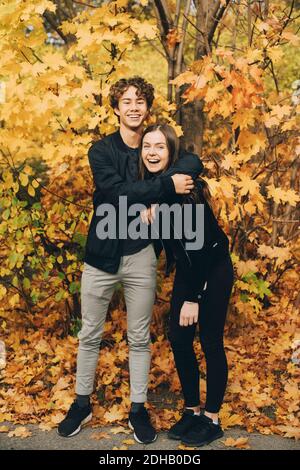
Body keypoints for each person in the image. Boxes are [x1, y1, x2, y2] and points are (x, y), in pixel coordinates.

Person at [57, 77, 203, 444]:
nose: (134, 106)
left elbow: (191, 159)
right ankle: (80, 403)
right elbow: (116, 192)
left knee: (139, 337)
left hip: (140, 256)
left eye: (140, 100)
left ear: (147, 107)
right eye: (127, 101)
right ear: (116, 107)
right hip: (100, 256)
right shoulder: (101, 150)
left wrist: (163, 185)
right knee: (90, 333)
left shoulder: (153, 145)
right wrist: (165, 188)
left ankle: (138, 409)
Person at [139, 123, 234, 447]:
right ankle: (192, 410)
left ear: (171, 153)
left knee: (209, 340)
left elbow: (198, 249)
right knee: (179, 338)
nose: (152, 152)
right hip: (189, 269)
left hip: (213, 268)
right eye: (147, 146)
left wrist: (194, 298)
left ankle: (212, 418)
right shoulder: (156, 188)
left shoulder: (185, 193)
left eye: (160, 147)